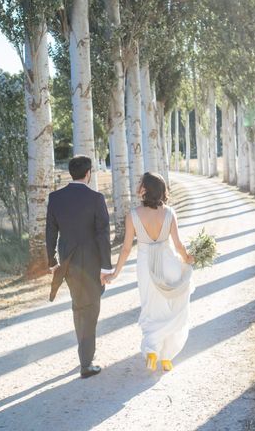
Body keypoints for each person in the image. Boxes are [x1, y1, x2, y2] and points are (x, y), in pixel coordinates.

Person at [107, 172, 195, 372]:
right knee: (174, 308)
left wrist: (115, 273)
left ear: (146, 189)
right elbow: (179, 245)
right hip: (169, 263)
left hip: (146, 267)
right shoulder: (170, 213)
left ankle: (152, 351)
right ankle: (166, 358)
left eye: (140, 184)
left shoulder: (133, 215)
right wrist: (188, 258)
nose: (138, 186)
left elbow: (127, 249)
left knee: (152, 308)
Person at [45, 155, 112, 378]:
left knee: (78, 305)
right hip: (92, 262)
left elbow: (50, 232)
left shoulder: (55, 198)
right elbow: (103, 235)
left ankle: (84, 353)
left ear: (70, 173)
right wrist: (106, 266)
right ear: (88, 173)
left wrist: (52, 261)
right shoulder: (96, 198)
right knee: (91, 308)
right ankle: (86, 362)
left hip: (67, 262)